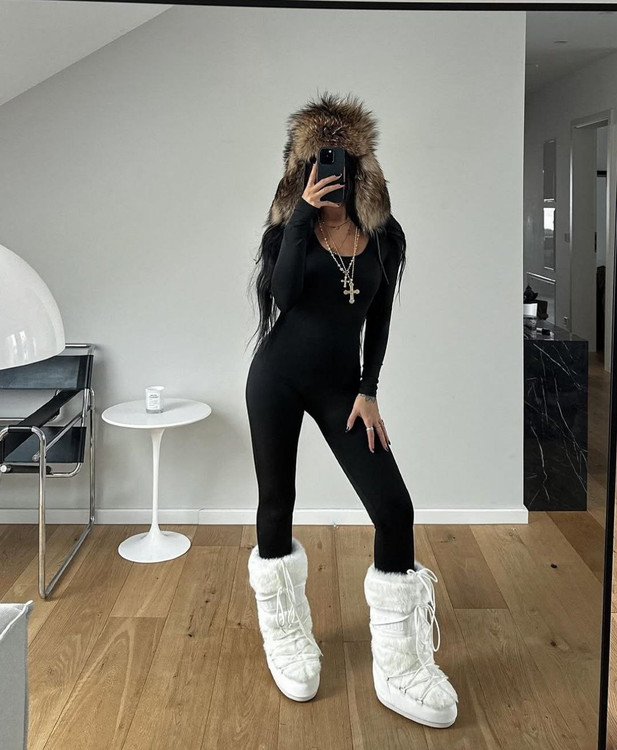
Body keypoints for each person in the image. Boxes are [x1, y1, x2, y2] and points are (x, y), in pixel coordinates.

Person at [244, 92, 458, 728]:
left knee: (394, 508)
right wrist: (300, 217)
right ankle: (285, 635)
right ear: (301, 168)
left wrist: (369, 389)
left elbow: (380, 318)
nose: (330, 170)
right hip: (276, 379)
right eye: (317, 160)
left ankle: (400, 662)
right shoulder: (289, 230)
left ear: (363, 167)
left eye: (340, 160)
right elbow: (283, 296)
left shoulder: (385, 237)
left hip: (343, 388)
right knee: (276, 501)